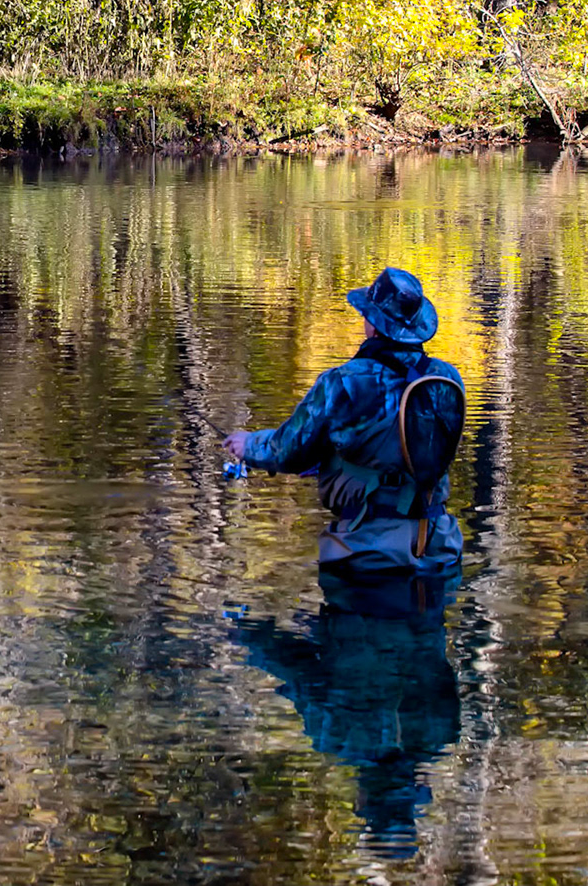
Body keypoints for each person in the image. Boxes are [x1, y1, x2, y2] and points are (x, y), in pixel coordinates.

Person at [223, 266, 465, 576]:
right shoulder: (447, 378)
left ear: (372, 323)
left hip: (367, 550)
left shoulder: (344, 382)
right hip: (439, 546)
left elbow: (288, 452)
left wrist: (249, 445)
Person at [228, 571, 461, 860]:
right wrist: (248, 636)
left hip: (426, 582)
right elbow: (298, 670)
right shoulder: (337, 738)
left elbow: (437, 663)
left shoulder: (442, 733)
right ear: (364, 797)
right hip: (353, 583)